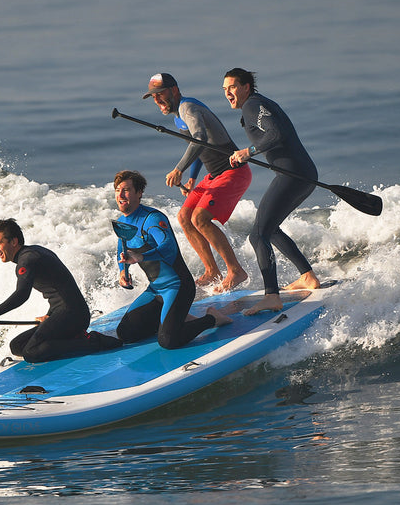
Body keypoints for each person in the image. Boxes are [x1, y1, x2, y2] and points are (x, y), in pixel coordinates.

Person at [142, 72, 252, 292]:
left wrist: (179, 169)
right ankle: (212, 271)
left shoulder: (188, 108)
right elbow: (201, 146)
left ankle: (235, 271)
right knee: (184, 217)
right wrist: (193, 176)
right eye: (153, 96)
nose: (157, 99)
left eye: (160, 94)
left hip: (233, 172)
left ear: (174, 90)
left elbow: (199, 138)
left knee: (200, 218)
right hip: (213, 175)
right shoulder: (178, 115)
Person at [224, 68, 320, 314]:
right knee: (270, 228)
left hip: (292, 175)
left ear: (246, 87)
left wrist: (249, 151)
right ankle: (308, 276)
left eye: (232, 87)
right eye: (225, 89)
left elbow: (276, 133)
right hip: (303, 174)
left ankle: (271, 296)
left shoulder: (252, 105)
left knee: (258, 236)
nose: (228, 93)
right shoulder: (258, 103)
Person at [113, 170, 232, 349]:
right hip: (156, 290)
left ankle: (212, 318)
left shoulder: (152, 219)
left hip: (178, 286)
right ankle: (173, 319)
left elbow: (169, 248)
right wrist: (123, 272)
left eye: (126, 190)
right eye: (117, 190)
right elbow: (120, 250)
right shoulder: (123, 223)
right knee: (125, 333)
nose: (121, 195)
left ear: (139, 193)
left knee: (168, 341)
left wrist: (142, 256)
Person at [0, 218, 121, 362]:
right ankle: (73, 337)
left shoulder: (27, 260)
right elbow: (57, 289)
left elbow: (22, 294)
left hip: (74, 315)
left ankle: (94, 341)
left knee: (31, 352)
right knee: (17, 346)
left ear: (14, 241)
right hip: (64, 312)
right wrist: (49, 315)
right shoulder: (33, 252)